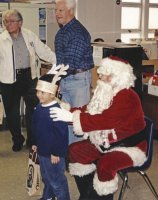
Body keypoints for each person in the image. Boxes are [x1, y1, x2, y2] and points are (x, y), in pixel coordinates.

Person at [50, 56, 148, 200]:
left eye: (104, 74)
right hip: (105, 142)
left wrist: (71, 118)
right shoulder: (105, 93)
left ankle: (99, 197)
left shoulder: (127, 95)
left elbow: (105, 121)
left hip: (130, 146)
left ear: (117, 76)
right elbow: (88, 110)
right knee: (74, 151)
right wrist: (66, 110)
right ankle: (88, 195)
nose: (99, 76)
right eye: (100, 73)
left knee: (106, 165)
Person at [0, 9, 56, 152]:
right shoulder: (1, 39)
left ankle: (32, 140)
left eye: (11, 21)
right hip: (8, 80)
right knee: (12, 113)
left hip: (29, 77)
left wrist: (58, 60)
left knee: (33, 110)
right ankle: (17, 139)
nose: (8, 24)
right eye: (6, 21)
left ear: (20, 22)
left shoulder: (29, 35)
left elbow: (43, 50)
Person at [54, 0, 94, 144]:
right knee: (67, 119)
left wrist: (53, 79)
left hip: (78, 81)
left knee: (78, 121)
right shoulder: (61, 33)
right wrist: (57, 79)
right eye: (56, 10)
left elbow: (70, 62)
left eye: (60, 10)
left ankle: (80, 161)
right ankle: (71, 157)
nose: (57, 14)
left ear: (70, 11)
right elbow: (60, 61)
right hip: (66, 80)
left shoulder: (77, 32)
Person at [32, 65, 70, 200]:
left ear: (52, 93)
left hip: (54, 154)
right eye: (38, 91)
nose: (39, 95)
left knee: (57, 180)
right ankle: (48, 196)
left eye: (43, 92)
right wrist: (35, 143)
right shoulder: (38, 108)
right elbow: (36, 127)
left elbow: (61, 134)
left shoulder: (56, 111)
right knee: (46, 177)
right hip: (42, 150)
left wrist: (57, 152)